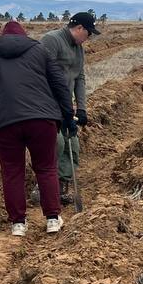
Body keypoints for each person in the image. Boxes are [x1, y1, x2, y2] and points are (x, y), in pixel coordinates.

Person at [0, 20, 73, 237]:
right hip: (42, 119)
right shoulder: (40, 51)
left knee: (12, 172)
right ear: (24, 35)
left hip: (5, 123)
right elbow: (59, 84)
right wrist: (68, 116)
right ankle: (52, 218)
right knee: (46, 167)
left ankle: (18, 224)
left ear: (1, 37)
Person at [41, 11, 97, 204]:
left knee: (72, 144)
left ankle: (62, 183)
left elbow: (79, 77)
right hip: (47, 104)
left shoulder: (78, 47)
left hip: (66, 107)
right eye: (88, 33)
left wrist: (81, 108)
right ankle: (42, 185)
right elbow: (42, 74)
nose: (88, 38)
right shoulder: (51, 40)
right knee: (56, 143)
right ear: (79, 28)